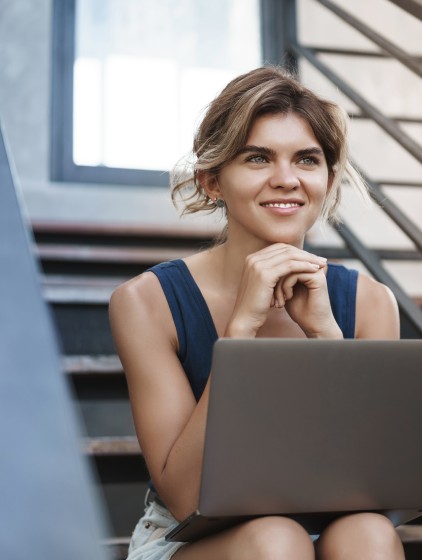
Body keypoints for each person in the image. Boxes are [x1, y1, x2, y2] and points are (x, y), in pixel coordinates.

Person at [109, 66, 404, 560]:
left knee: (370, 536)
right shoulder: (147, 301)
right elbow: (186, 499)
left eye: (307, 160)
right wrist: (240, 331)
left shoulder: (372, 303)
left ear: (328, 181)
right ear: (212, 181)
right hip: (193, 539)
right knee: (275, 541)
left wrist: (328, 339)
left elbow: (378, 487)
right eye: (257, 158)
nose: (286, 179)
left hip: (326, 523)